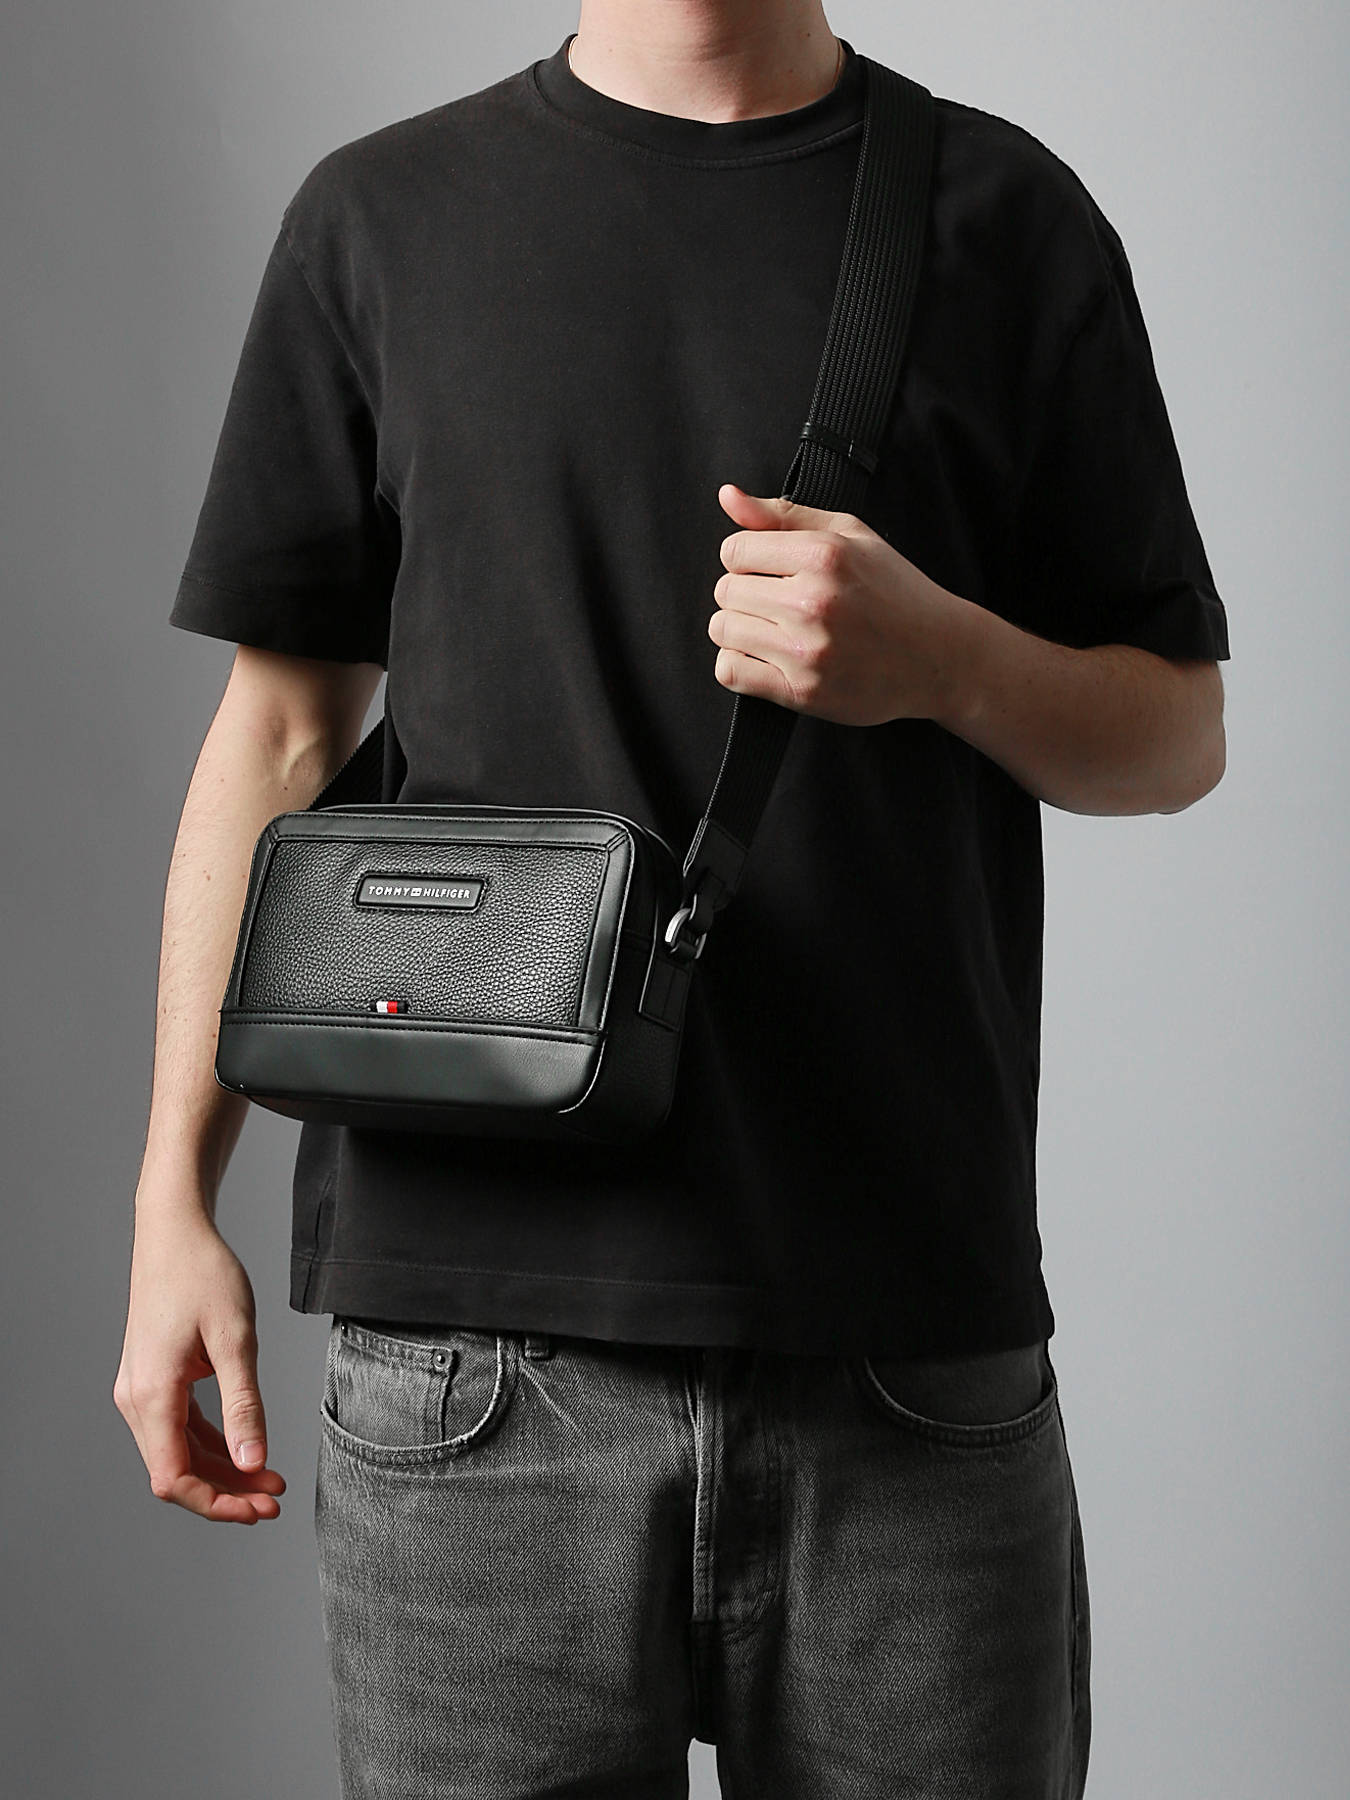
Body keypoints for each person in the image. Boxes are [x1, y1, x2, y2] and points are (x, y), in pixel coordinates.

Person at [114, 2, 1230, 1794]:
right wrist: (173, 1200)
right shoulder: (378, 218)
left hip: (900, 1348)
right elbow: (279, 732)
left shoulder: (1003, 215)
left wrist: (943, 659)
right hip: (466, 1360)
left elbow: (1173, 734)